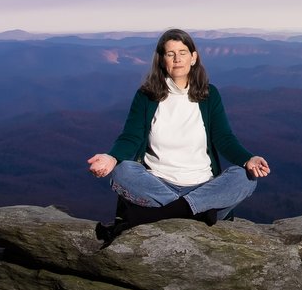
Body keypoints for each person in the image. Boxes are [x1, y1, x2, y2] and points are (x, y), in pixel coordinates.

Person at [87, 29, 270, 243]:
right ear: (162, 59)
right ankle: (196, 213)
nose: (177, 59)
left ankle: (158, 215)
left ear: (194, 57)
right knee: (123, 170)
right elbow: (131, 137)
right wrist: (111, 157)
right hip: (158, 185)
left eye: (183, 52)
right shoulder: (146, 96)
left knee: (246, 177)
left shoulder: (209, 95)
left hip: (203, 186)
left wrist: (249, 159)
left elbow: (224, 138)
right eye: (170, 53)